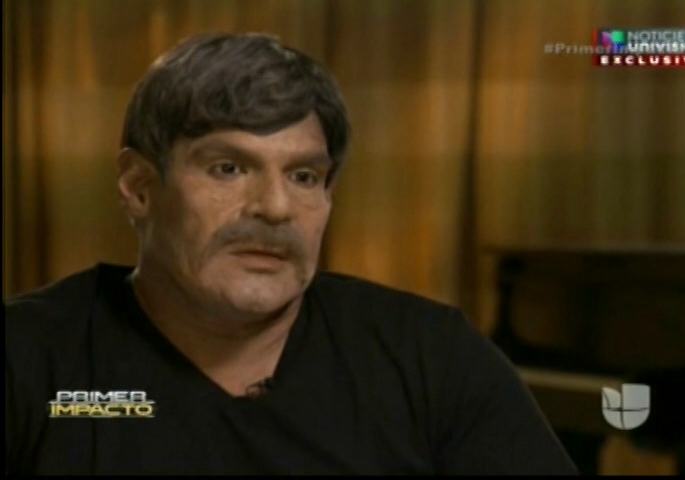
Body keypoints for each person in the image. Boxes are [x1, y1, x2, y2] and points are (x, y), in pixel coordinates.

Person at [5, 32, 577, 475]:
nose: (276, 208)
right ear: (138, 187)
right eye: (228, 168)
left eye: (304, 176)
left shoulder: (432, 355)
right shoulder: (29, 359)